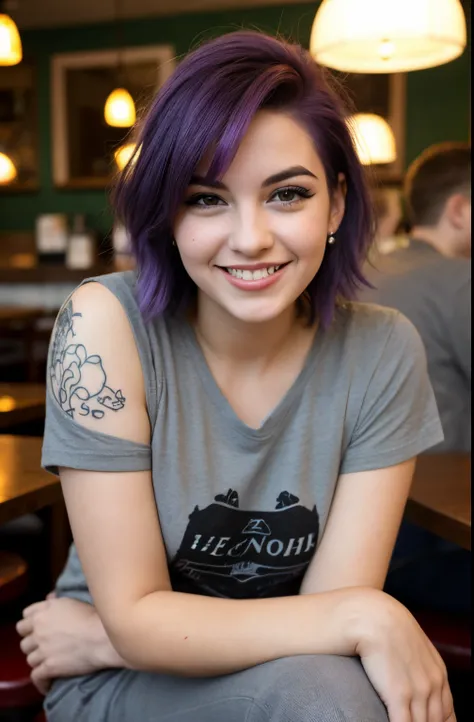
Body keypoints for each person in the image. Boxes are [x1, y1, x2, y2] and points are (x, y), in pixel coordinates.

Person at [17, 32, 453, 722]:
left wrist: (112, 636)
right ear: (167, 212)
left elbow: (332, 617)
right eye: (206, 199)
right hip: (122, 684)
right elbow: (335, 620)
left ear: (337, 204)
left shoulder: (382, 350)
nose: (250, 238)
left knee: (327, 689)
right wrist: (366, 618)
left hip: (148, 653)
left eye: (287, 194)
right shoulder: (103, 325)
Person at [360, 142, 471, 615]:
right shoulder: (460, 278)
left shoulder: (366, 269)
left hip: (365, 533)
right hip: (435, 536)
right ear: (459, 209)